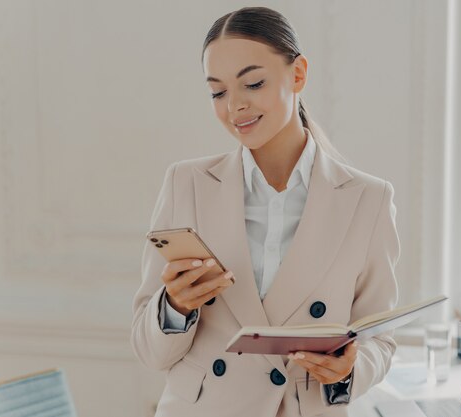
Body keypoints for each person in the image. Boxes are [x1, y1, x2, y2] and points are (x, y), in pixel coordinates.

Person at [130, 6, 400, 417]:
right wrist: (176, 307)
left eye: (253, 83)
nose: (235, 106)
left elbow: (379, 338)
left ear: (298, 74)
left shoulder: (368, 199)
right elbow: (149, 351)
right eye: (218, 92)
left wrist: (348, 370)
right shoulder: (186, 184)